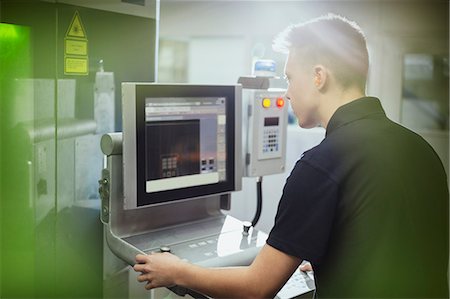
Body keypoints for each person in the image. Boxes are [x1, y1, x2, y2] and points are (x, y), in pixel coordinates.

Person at [133, 14, 449, 298]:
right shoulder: (419, 148)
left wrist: (177, 271)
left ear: (318, 76)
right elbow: (393, 239)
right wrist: (334, 258)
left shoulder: (321, 164)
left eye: (289, 77)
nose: (286, 92)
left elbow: (256, 288)